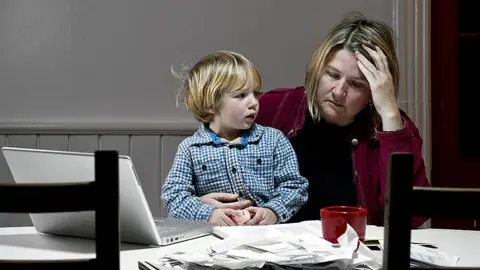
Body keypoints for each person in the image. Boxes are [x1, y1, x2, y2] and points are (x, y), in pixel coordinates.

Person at [200, 12, 430, 228]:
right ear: (317, 69)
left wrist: (390, 113)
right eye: (332, 75)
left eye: (357, 85)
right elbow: (201, 169)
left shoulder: (394, 129)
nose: (339, 92)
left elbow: (413, 216)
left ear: (374, 91)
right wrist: (203, 201)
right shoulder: (272, 109)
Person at [161, 50, 309, 226]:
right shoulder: (190, 149)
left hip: (266, 237)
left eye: (255, 94)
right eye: (241, 95)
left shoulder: (274, 140)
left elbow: (294, 186)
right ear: (210, 104)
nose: (254, 102)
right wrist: (208, 214)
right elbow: (173, 198)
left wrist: (273, 211)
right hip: (213, 239)